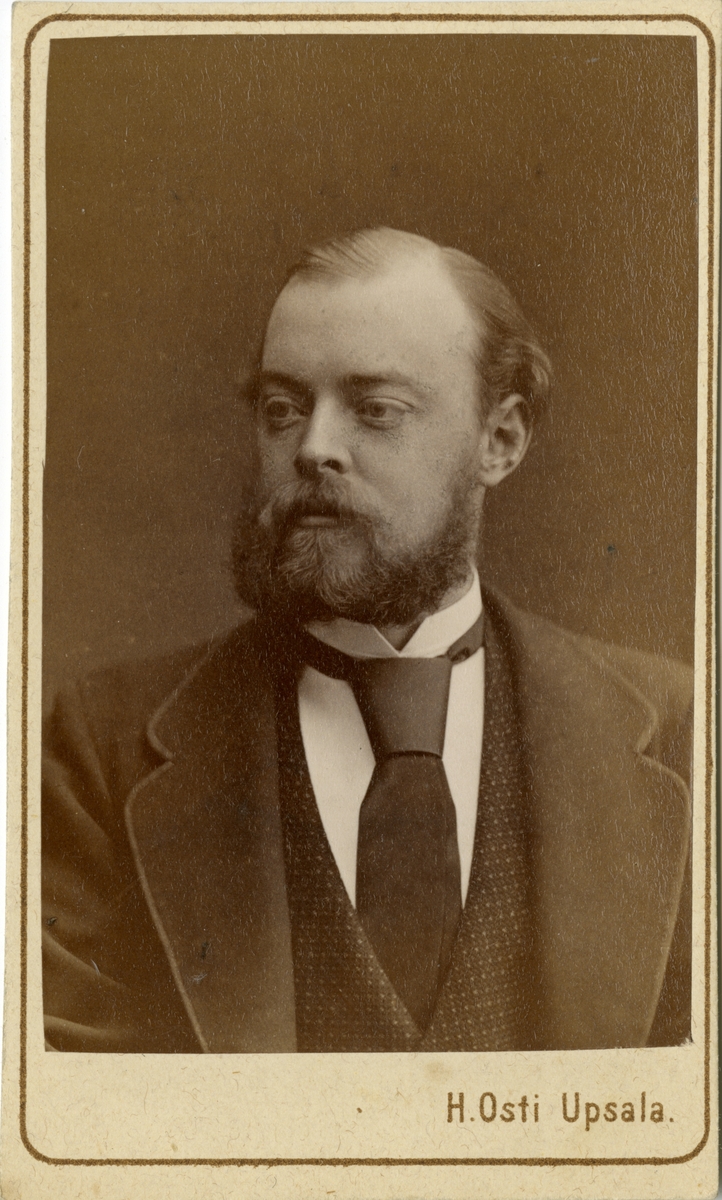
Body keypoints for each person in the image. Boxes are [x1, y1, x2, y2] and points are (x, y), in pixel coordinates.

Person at [42, 228, 692, 1054]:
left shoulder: (683, 736)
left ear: (501, 441)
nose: (313, 447)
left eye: (376, 410)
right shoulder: (102, 754)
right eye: (282, 410)